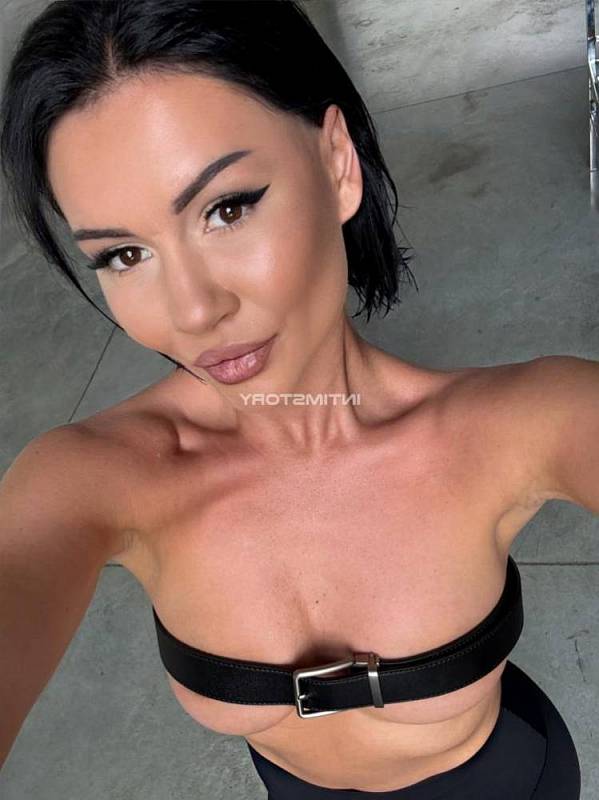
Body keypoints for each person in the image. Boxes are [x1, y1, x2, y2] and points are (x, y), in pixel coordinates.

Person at [0, 1, 585, 797]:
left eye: (226, 208)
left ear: (336, 163)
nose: (193, 311)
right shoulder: (90, 479)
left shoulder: (529, 422)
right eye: (125, 255)